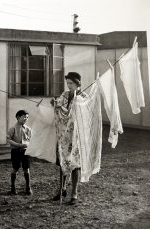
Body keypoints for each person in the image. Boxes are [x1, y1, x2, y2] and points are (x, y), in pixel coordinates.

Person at [50, 72, 87, 205]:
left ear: (78, 84)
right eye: (68, 83)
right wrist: (53, 103)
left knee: (75, 164)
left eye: (71, 83)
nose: (69, 86)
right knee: (62, 162)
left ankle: (74, 192)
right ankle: (62, 189)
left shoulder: (83, 97)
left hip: (77, 136)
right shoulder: (65, 95)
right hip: (64, 135)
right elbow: (57, 105)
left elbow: (86, 116)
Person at [7, 110, 32, 195]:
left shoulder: (28, 129)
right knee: (15, 168)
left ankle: (28, 188)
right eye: (24, 117)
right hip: (15, 151)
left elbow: (30, 140)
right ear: (18, 117)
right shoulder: (12, 128)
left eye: (27, 117)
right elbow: (8, 140)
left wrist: (27, 144)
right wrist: (18, 145)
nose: (26, 119)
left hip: (25, 152)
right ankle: (13, 187)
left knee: (26, 168)